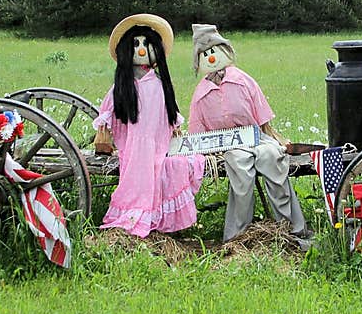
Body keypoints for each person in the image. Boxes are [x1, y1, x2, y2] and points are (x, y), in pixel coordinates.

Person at [187, 23, 311, 247]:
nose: (211, 58)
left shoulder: (243, 80)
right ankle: (238, 235)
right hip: (228, 144)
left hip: (255, 136)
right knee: (240, 171)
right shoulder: (201, 94)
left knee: (273, 159)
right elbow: (197, 134)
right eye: (205, 54)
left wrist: (276, 139)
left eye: (214, 51)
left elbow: (263, 121)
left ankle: (292, 228)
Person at [93, 13, 205, 236]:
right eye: (135, 45)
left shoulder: (160, 85)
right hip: (133, 147)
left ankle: (158, 217)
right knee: (139, 175)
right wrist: (103, 137)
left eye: (147, 44)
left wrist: (176, 133)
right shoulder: (123, 88)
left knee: (174, 166)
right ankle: (136, 212)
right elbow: (106, 115)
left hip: (159, 145)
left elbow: (171, 117)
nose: (142, 50)